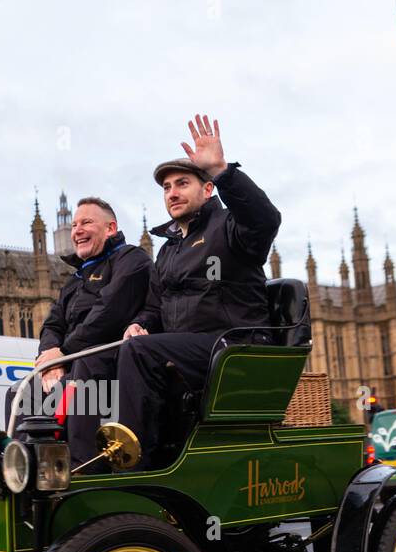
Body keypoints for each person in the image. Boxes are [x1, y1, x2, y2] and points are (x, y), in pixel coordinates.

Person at [112, 115, 282, 469]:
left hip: (235, 345)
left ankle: (135, 462)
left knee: (141, 353)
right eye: (166, 187)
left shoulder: (230, 228)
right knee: (121, 351)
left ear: (207, 190)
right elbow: (154, 307)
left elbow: (265, 218)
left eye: (182, 183)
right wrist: (140, 324)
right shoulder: (168, 249)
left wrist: (222, 171)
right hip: (191, 349)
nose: (172, 192)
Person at [8, 197, 151, 464]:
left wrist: (62, 354)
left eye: (86, 222)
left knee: (82, 374)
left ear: (110, 228)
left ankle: (81, 464)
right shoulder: (75, 279)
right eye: (74, 225)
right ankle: (24, 465)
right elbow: (52, 324)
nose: (77, 230)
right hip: (74, 362)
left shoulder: (131, 260)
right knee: (21, 391)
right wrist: (50, 355)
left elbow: (108, 314)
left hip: (114, 363)